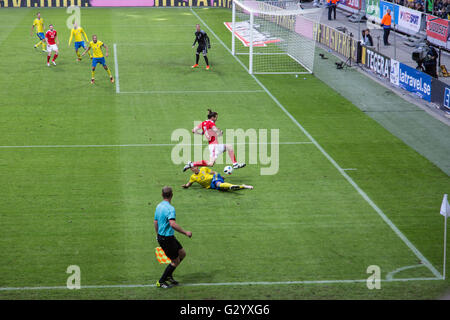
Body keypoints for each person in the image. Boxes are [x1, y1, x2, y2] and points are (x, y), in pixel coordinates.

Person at [154, 186, 192, 289]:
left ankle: (169, 276)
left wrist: (157, 234)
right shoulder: (170, 209)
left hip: (167, 237)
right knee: (175, 261)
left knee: (182, 254)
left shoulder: (159, 206)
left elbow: (155, 221)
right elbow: (172, 224)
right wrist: (185, 232)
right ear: (172, 195)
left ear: (162, 195)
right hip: (166, 239)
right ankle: (161, 281)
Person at [182, 166, 253, 191]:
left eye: (194, 167)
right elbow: (189, 184)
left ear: (197, 167)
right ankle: (243, 186)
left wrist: (220, 176)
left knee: (218, 184)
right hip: (211, 186)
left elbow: (214, 172)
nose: (193, 169)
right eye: (191, 169)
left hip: (214, 178)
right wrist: (185, 186)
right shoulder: (193, 177)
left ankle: (231, 186)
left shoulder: (203, 169)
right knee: (224, 188)